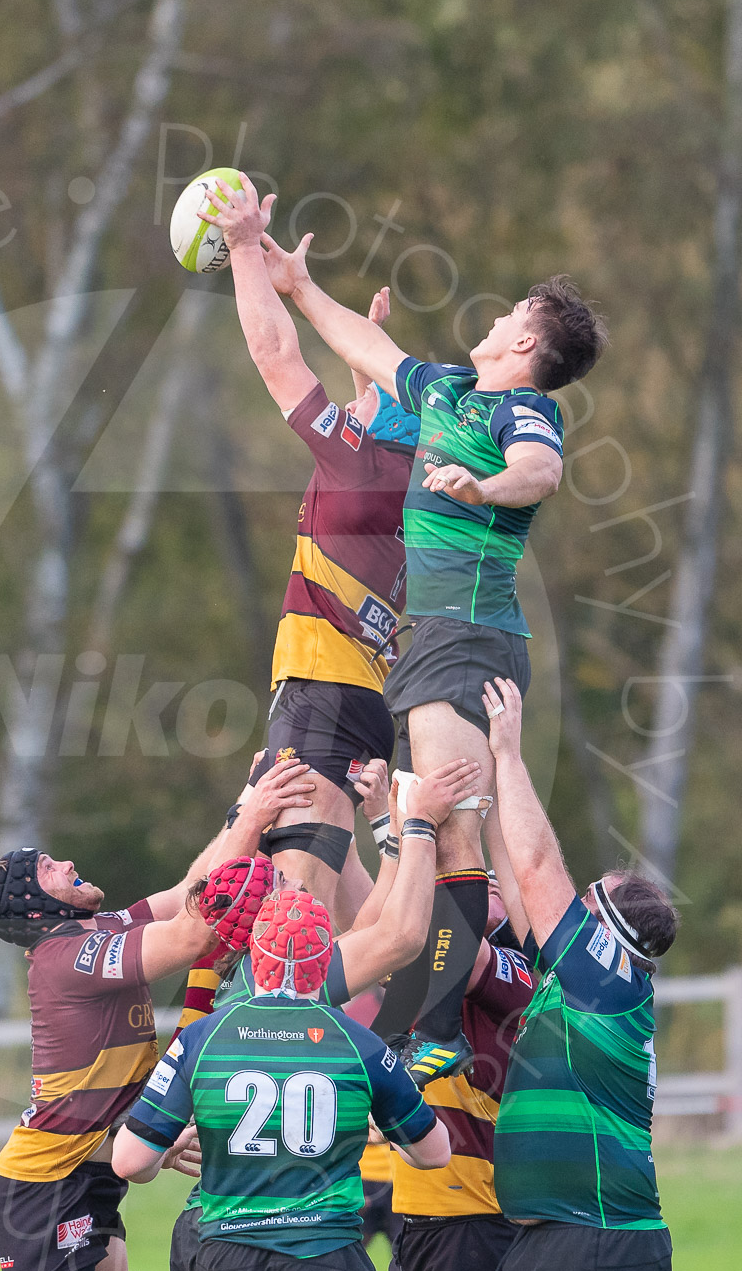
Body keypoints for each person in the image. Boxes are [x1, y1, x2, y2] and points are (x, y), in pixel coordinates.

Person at [243, 181, 608, 1083]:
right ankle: (479, 1013)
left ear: (525, 343)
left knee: (449, 831)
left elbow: (541, 471)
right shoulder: (444, 389)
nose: (494, 316)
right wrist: (294, 283)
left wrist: (485, 488)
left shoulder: (520, 411)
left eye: (513, 312)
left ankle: (437, 1030)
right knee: (437, 830)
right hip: (433, 648)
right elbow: (360, 342)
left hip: (467, 639)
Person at [0, 757, 314, 1271]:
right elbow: (192, 934)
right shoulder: (67, 957)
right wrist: (252, 845)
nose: (66, 862)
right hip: (45, 1189)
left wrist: (248, 805)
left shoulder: (95, 933)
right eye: (48, 868)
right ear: (38, 906)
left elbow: (187, 892)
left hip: (90, 1175)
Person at [114, 884, 453, 1271]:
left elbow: (130, 1160)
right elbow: (435, 1151)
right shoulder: (359, 1043)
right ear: (325, 961)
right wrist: (378, 1125)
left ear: (253, 959)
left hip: (232, 1262)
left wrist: (173, 1153)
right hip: (325, 1260)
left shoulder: (204, 1036)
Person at [204, 177, 420, 933]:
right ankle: (391, 1024)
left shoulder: (355, 462)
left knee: (295, 909)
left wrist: (241, 252)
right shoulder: (415, 487)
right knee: (349, 917)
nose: (352, 399)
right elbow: (378, 403)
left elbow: (274, 354)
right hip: (365, 704)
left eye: (364, 396)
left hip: (322, 695)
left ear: (376, 423)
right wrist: (368, 357)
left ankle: (295, 1040)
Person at [483, 677, 677, 1271]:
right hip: (550, 1235)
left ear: (606, 930)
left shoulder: (608, 981)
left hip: (596, 1234)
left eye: (584, 901)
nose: (567, 909)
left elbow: (533, 862)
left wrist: (509, 750)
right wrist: (479, 793)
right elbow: (514, 864)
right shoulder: (578, 985)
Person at [381, 876, 537, 1271]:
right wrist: (382, 820)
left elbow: (456, 948)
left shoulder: (514, 971)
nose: (476, 887)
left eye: (486, 883)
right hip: (419, 1217)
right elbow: (377, 925)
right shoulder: (432, 966)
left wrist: (442, 841)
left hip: (478, 1221)